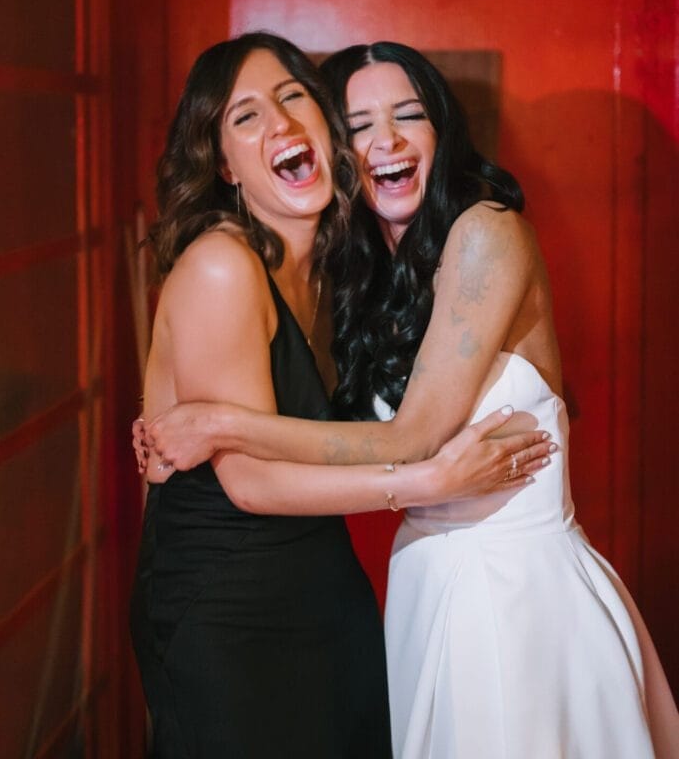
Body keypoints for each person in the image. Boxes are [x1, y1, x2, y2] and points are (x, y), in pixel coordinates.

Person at [139, 41, 679, 759]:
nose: (385, 140)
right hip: (416, 590)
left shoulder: (485, 234)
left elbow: (410, 438)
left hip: (514, 598)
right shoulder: (355, 276)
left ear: (441, 129)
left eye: (408, 115)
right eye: (360, 124)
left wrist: (219, 423)